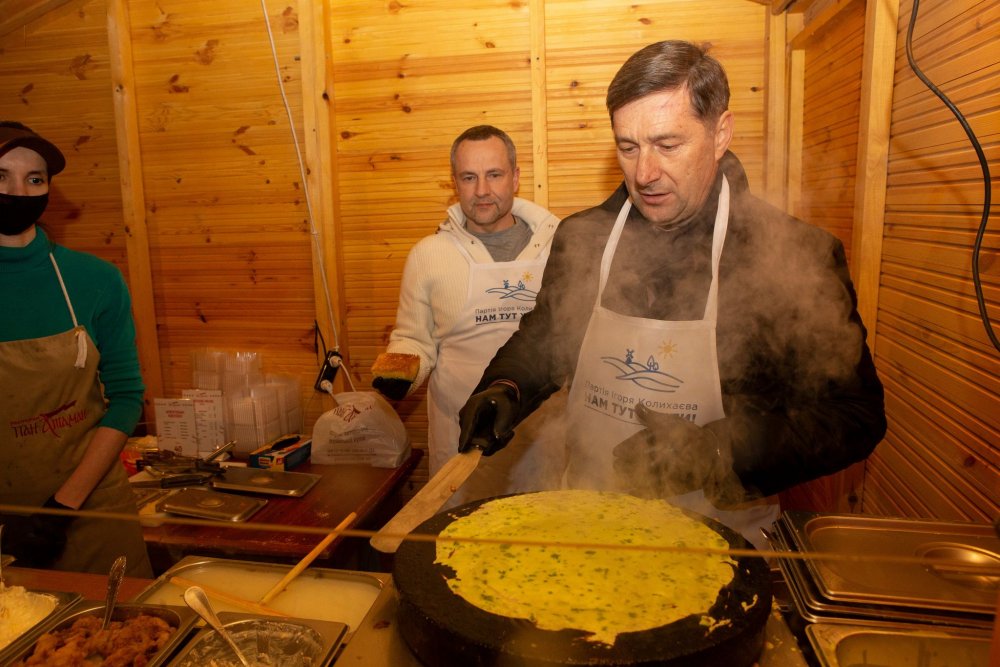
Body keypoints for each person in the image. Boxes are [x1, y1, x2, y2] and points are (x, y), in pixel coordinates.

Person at [457, 41, 887, 548]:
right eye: (628, 147)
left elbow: (855, 416)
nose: (644, 174)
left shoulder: (794, 255)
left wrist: (717, 452)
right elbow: (549, 335)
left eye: (668, 144)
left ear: (720, 133)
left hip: (722, 542)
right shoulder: (584, 237)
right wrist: (507, 386)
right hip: (586, 529)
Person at [372, 125, 563, 503]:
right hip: (461, 440)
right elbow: (413, 337)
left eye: (494, 175)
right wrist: (402, 370)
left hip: (542, 438)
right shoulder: (428, 255)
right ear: (455, 183)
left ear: (516, 177)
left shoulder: (560, 246)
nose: (482, 191)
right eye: (469, 178)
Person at [0, 121, 153, 577]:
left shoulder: (95, 280)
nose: (20, 192)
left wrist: (62, 507)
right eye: (1, 176)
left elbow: (125, 397)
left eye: (35, 179)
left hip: (91, 510)